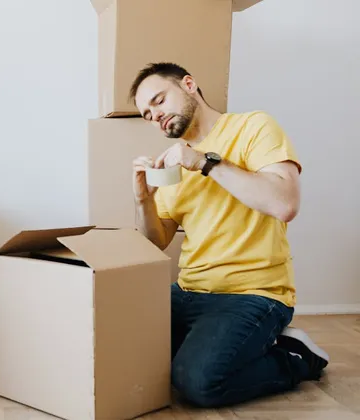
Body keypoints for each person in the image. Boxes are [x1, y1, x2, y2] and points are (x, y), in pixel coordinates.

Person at [128, 62, 329, 408]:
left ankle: (294, 357)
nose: (155, 116)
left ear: (189, 84)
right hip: (188, 290)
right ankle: (231, 345)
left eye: (159, 101)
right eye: (147, 114)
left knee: (198, 382)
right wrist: (143, 200)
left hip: (253, 293)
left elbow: (285, 204)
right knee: (121, 348)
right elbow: (155, 241)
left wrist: (205, 163)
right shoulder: (173, 163)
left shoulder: (253, 126)